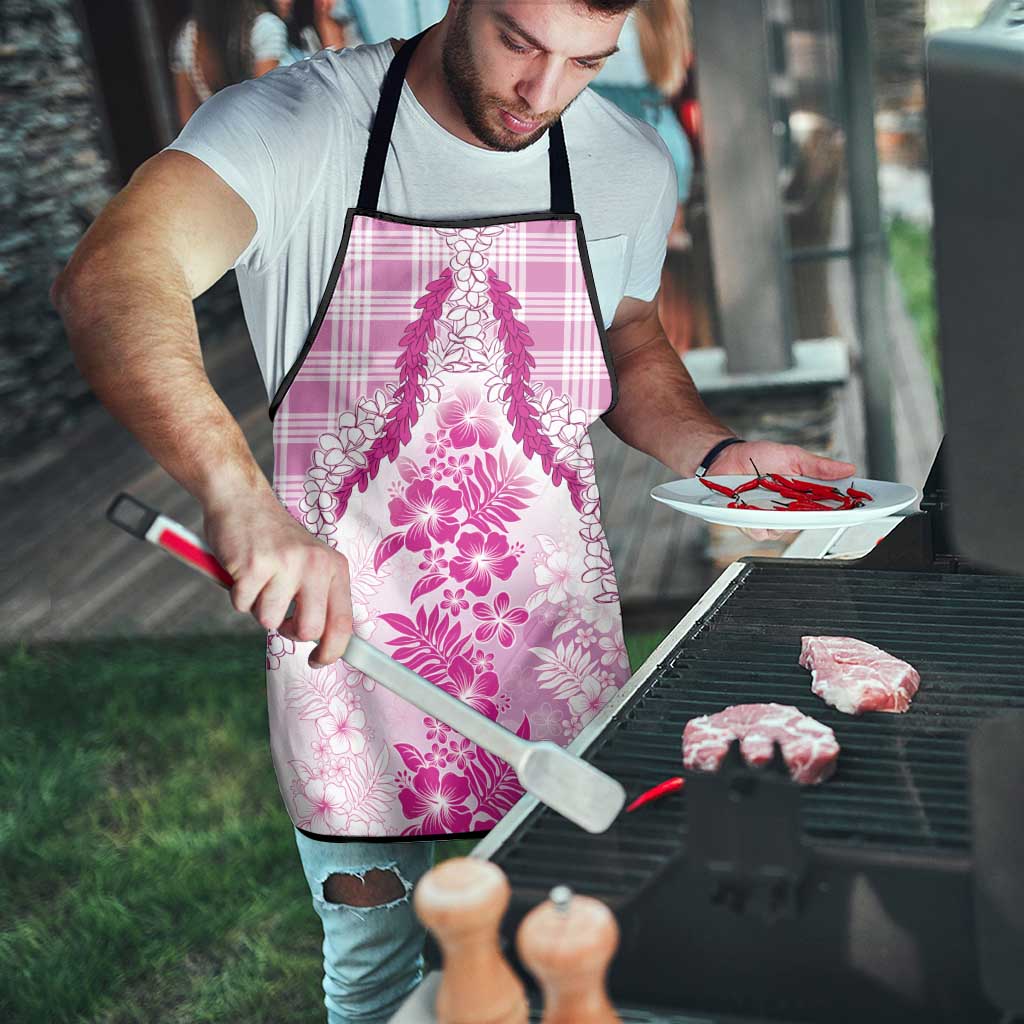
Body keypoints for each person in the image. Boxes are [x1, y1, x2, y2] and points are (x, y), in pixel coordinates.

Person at [53, 2, 856, 1020]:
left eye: (585, 62)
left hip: (557, 661)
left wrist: (718, 449)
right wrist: (236, 495)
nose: (543, 93)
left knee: (568, 963)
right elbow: (113, 275)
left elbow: (630, 337)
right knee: (381, 980)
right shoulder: (297, 125)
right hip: (351, 662)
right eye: (521, 43)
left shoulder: (624, 160)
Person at [169, 0, 288, 126]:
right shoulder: (265, 27)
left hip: (215, 139)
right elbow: (267, 108)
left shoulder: (188, 37)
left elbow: (187, 121)